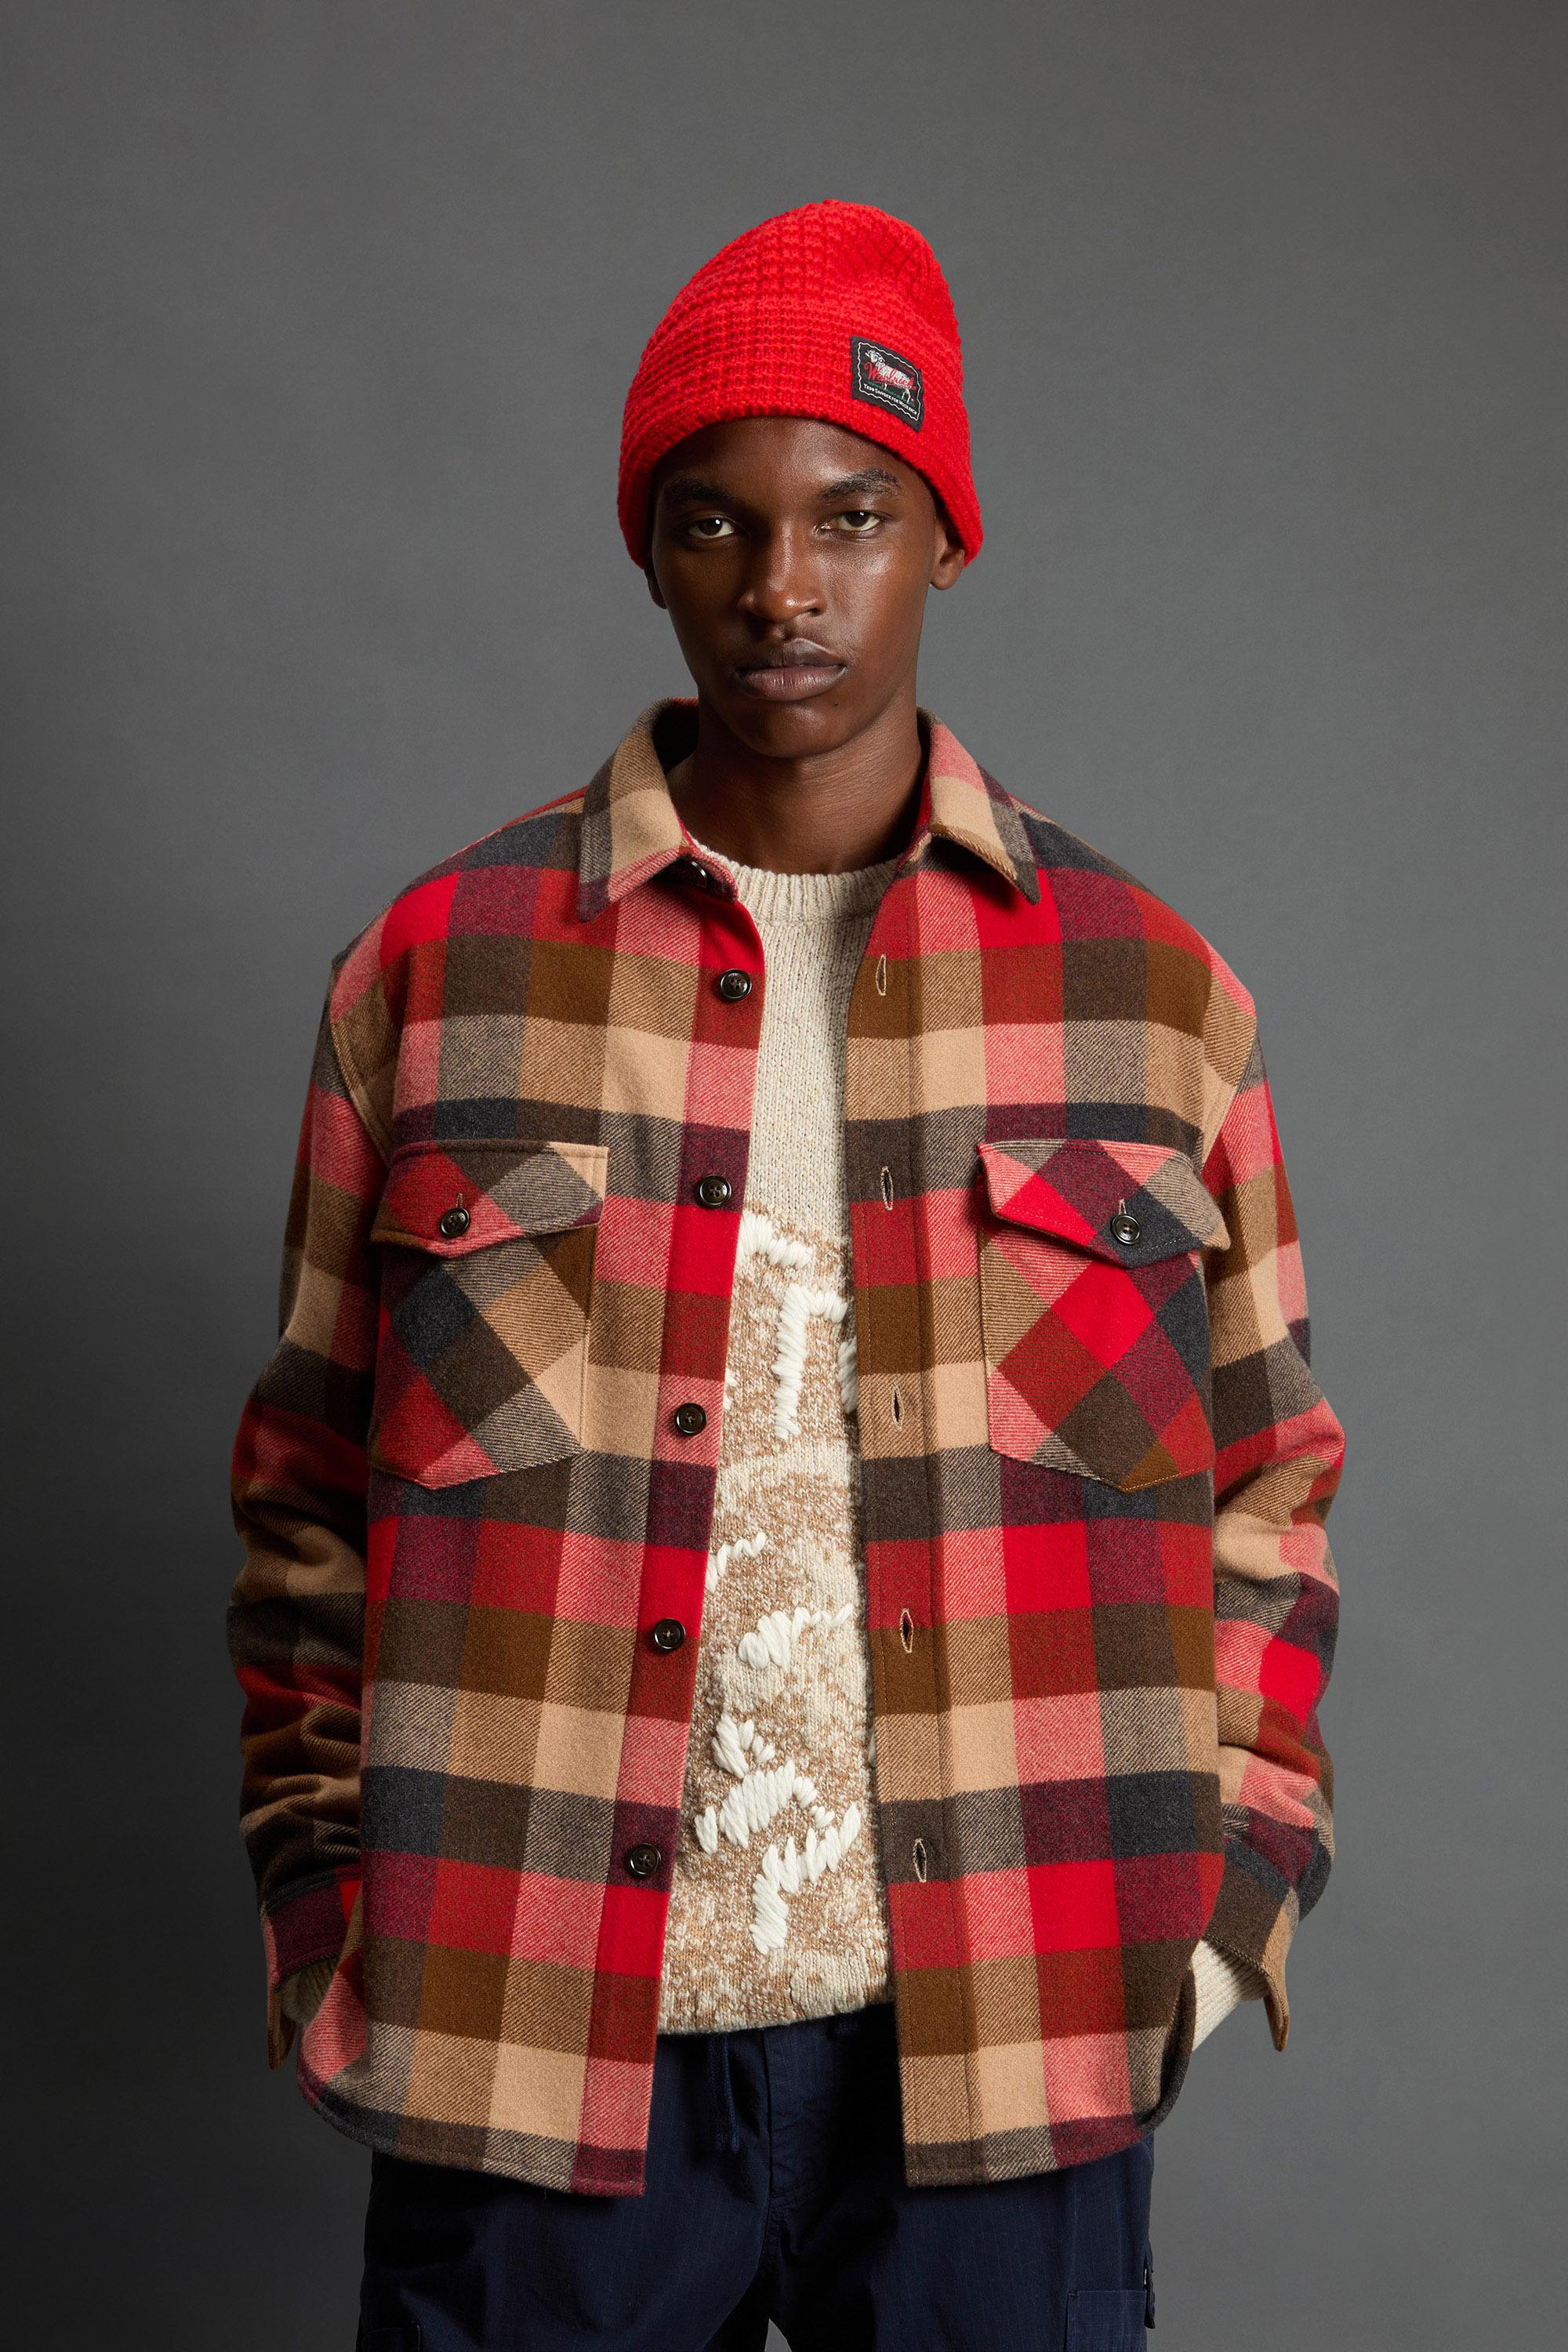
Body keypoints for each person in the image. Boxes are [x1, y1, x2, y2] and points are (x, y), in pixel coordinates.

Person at [228, 201, 1345, 2351]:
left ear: (948, 541)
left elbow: (1271, 1487)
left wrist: (1222, 1920)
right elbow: (304, 1498)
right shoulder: (441, 975)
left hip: (1010, 2043)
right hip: (530, 2037)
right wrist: (323, 1907)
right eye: (716, 523)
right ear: (650, 555)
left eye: (853, 515)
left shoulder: (1150, 998)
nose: (784, 587)